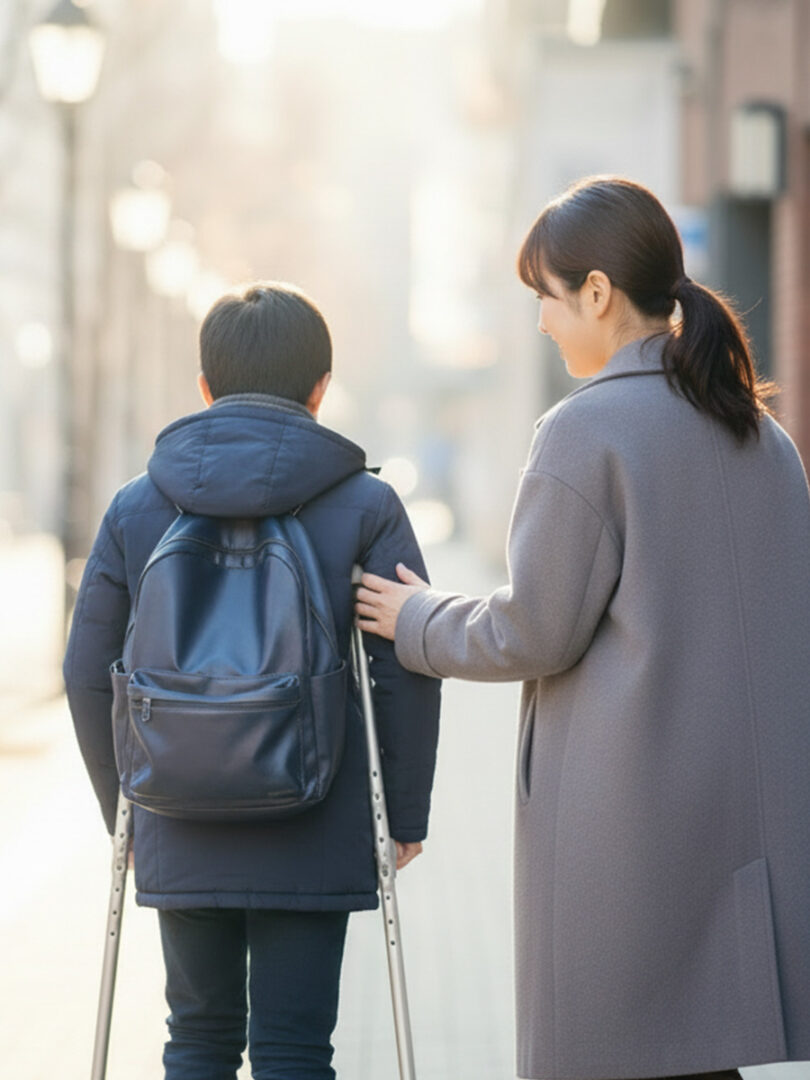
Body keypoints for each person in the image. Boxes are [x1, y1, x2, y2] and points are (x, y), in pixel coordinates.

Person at [356, 176, 810, 1080]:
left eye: (547, 296)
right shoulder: (765, 438)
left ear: (598, 292)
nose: (541, 321)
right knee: (708, 1055)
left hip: (626, 830)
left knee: (618, 1055)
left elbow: (535, 630)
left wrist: (418, 620)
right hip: (746, 829)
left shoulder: (586, 430)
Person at [63, 281, 441, 1080]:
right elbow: (403, 665)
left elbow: (85, 666)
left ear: (204, 388)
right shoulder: (366, 505)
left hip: (176, 806)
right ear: (320, 388)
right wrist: (403, 815)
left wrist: (121, 813)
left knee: (195, 1040)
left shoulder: (138, 506)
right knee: (296, 1049)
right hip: (316, 811)